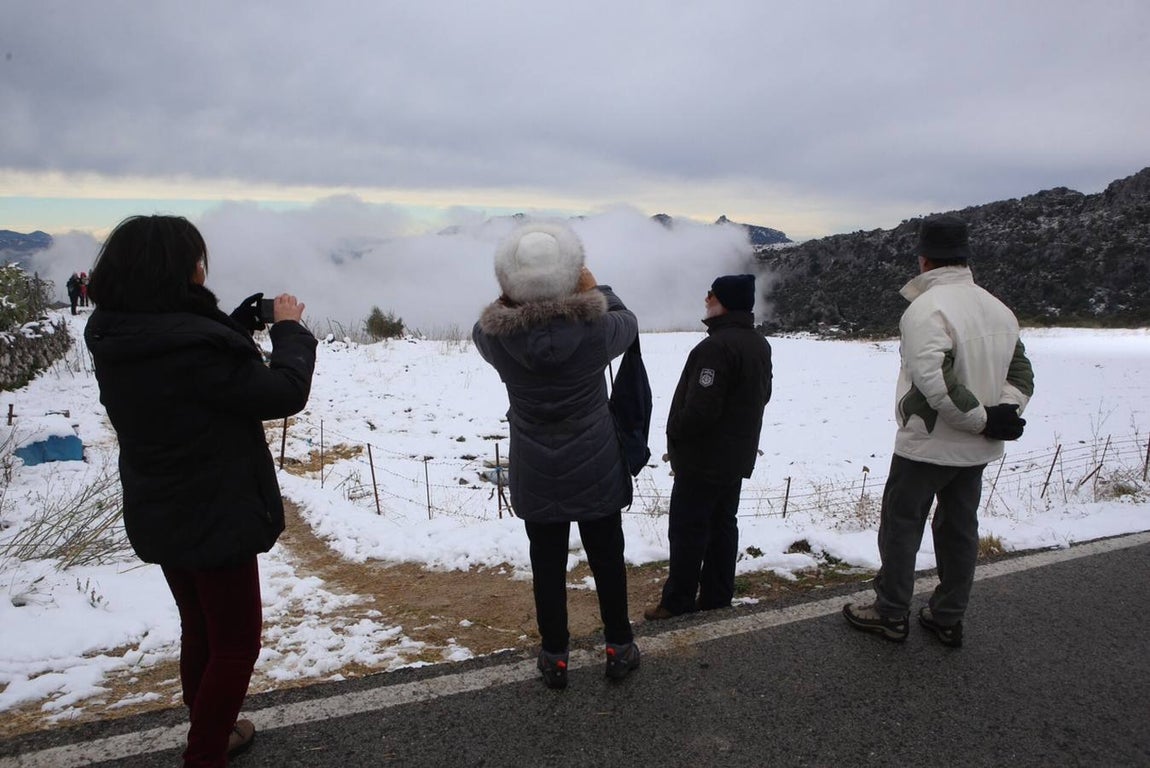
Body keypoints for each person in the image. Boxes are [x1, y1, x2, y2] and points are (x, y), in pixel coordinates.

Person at [84, 215, 317, 767]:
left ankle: (213, 727)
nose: (201, 267)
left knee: (201, 626)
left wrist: (236, 324)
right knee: (236, 644)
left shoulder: (119, 333)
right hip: (216, 510)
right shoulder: (193, 348)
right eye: (195, 258)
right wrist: (289, 332)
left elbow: (194, 369)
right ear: (179, 270)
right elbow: (281, 392)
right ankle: (205, 752)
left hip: (160, 504)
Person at [843, 214, 1034, 648]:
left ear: (924, 259)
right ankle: (947, 617)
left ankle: (890, 613)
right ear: (964, 256)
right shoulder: (998, 308)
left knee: (901, 526)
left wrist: (981, 418)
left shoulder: (926, 309)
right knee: (960, 530)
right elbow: (1020, 372)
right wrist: (1002, 414)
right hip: (977, 449)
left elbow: (935, 382)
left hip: (927, 445)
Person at [472, 221, 640, 689]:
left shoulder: (496, 340)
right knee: (607, 559)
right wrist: (595, 289)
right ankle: (619, 647)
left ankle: (555, 657)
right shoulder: (597, 332)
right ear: (571, 273)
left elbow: (484, 324)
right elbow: (627, 320)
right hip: (596, 466)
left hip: (535, 470)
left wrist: (513, 296)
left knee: (546, 566)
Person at [644, 274, 773, 620]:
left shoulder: (715, 348)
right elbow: (764, 395)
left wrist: (676, 431)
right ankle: (717, 596)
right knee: (723, 526)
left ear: (725, 302)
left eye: (711, 295)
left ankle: (677, 602)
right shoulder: (759, 344)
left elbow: (701, 409)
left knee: (688, 531)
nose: (706, 300)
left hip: (703, 459)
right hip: (736, 456)